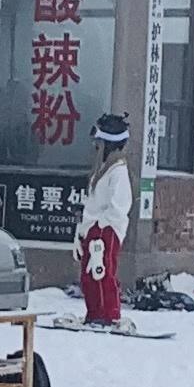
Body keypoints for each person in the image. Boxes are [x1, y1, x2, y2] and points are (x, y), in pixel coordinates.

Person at [77, 111, 136, 326]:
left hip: (107, 229)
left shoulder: (118, 172)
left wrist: (100, 226)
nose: (96, 146)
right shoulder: (103, 170)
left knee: (102, 271)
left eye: (100, 142)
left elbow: (120, 206)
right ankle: (94, 313)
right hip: (94, 227)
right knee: (89, 275)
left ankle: (109, 315)